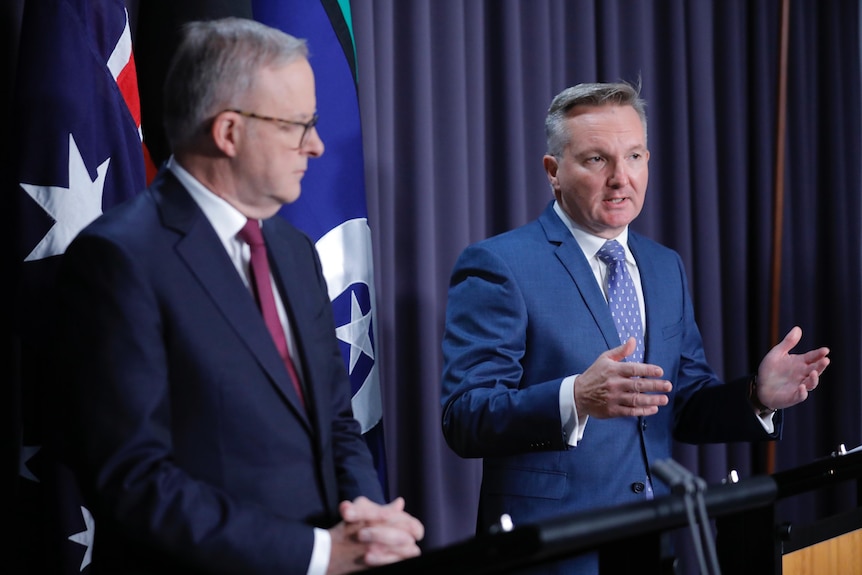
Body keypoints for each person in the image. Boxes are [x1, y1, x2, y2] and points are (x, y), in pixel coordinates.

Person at [53, 17, 423, 575]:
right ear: (228, 132)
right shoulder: (119, 259)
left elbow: (336, 421)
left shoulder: (293, 250)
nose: (317, 146)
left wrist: (367, 518)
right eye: (299, 125)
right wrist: (318, 554)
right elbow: (136, 479)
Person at [440, 81, 830, 574]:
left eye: (635, 156)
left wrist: (756, 396)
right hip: (550, 556)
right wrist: (576, 397)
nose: (621, 179)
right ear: (553, 172)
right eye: (597, 160)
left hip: (651, 546)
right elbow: (464, 416)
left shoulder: (664, 266)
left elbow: (681, 403)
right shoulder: (499, 265)